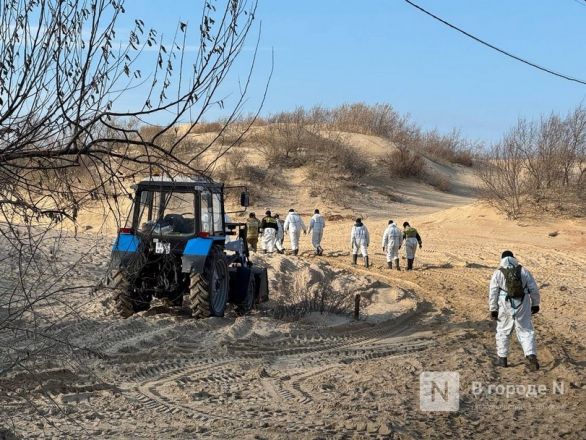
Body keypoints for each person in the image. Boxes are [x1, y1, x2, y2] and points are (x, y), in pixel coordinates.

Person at [489, 250, 541, 371]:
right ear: (513, 258)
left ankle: (502, 359)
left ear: (501, 259)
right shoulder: (523, 271)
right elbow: (534, 289)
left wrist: (493, 309)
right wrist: (535, 304)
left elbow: (493, 293)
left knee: (503, 331)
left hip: (504, 304)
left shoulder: (498, 273)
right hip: (523, 303)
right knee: (526, 330)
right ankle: (531, 355)